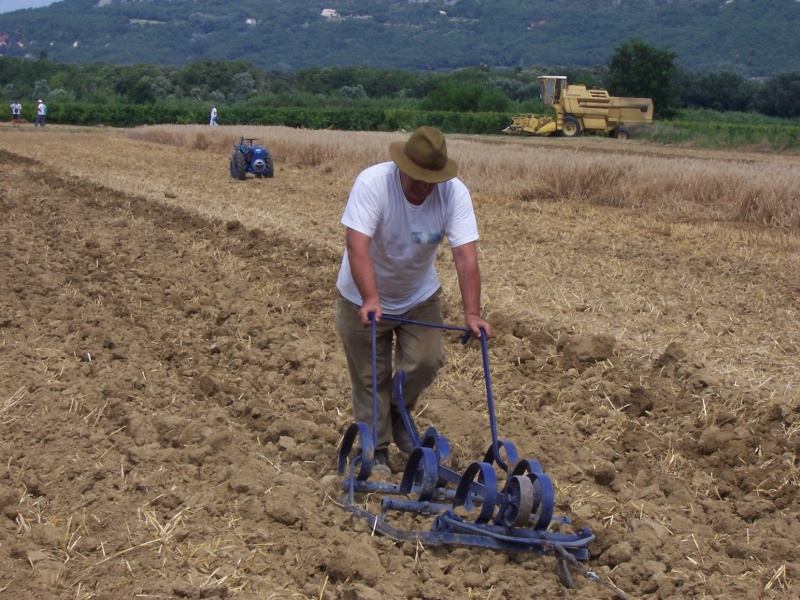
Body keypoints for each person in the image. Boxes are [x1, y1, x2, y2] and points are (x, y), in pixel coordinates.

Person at [334, 126, 493, 474]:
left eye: (430, 179)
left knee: (427, 359)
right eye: (416, 177)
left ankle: (397, 411)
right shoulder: (373, 183)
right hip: (360, 295)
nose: (423, 185)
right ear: (402, 167)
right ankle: (376, 449)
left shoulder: (453, 194)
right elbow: (356, 244)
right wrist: (370, 297)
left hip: (417, 295)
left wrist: (472, 312)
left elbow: (465, 255)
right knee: (370, 377)